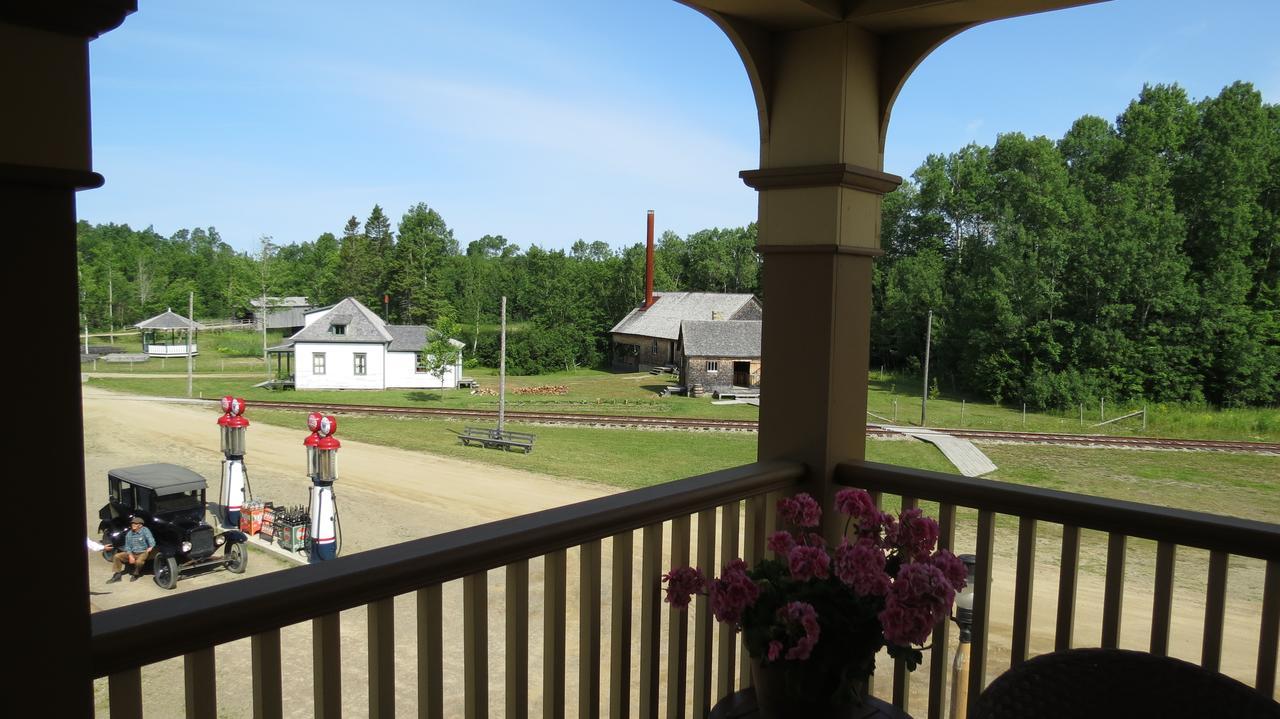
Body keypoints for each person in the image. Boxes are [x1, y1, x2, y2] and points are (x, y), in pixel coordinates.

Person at [106, 516, 155, 583]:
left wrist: (151, 546)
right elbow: (128, 547)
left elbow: (150, 539)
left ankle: (136, 573)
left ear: (140, 525)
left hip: (143, 552)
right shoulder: (129, 534)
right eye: (132, 523)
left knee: (139, 562)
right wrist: (130, 556)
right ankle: (117, 575)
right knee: (117, 556)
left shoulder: (145, 530)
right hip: (133, 552)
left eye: (135, 524)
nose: (133, 525)